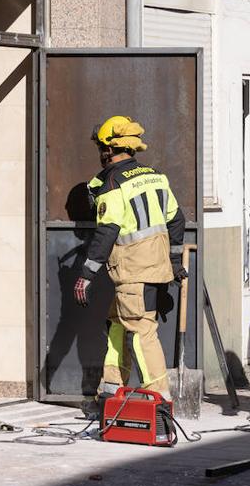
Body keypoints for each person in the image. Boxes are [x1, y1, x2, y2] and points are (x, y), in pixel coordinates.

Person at [75, 116, 187, 416]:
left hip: (133, 272)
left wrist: (86, 274)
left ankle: (160, 400)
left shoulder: (113, 182)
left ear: (109, 149)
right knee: (116, 321)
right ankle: (110, 391)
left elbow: (107, 229)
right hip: (156, 269)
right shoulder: (155, 176)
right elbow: (177, 220)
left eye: (101, 147)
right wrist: (174, 262)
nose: (100, 153)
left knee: (140, 332)